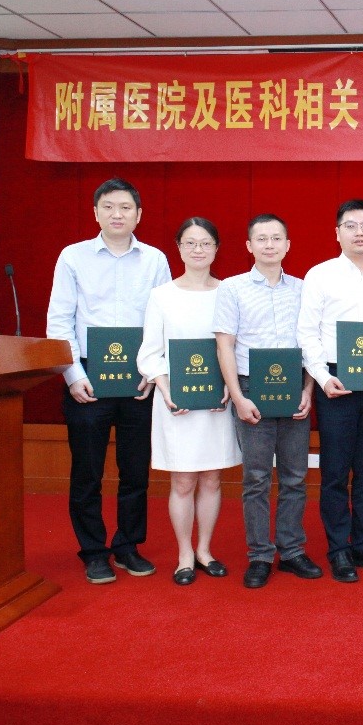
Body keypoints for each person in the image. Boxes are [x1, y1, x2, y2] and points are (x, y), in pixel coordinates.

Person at [46, 177, 170, 584]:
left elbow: (163, 320)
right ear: (96, 212)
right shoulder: (73, 257)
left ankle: (127, 545)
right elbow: (59, 321)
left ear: (139, 214)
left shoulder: (154, 260)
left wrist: (154, 371)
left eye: (125, 207)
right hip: (87, 376)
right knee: (87, 471)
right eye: (109, 207)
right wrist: (73, 375)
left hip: (139, 378)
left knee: (135, 470)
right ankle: (94, 551)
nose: (117, 214)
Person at [215, 214, 322, 589]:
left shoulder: (304, 289)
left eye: (277, 238)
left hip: (294, 387)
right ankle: (260, 555)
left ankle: (292, 551)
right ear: (249, 246)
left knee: (295, 476)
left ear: (288, 245)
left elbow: (313, 343)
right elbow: (224, 346)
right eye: (262, 238)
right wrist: (238, 397)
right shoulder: (232, 288)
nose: (270, 245)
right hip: (250, 389)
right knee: (256, 478)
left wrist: (308, 390)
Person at [298, 199, 363, 583]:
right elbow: (307, 333)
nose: (360, 232)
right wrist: (323, 377)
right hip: (336, 382)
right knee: (336, 471)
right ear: (337, 233)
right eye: (351, 225)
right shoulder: (319, 275)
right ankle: (339, 549)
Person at [137, 217, 241, 586]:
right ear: (179, 248)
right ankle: (184, 553)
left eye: (206, 243)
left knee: (212, 478)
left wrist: (230, 385)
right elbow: (150, 353)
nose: (198, 250)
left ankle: (205, 550)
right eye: (190, 243)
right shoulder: (162, 296)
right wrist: (166, 389)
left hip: (217, 402)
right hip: (176, 404)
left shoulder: (229, 292)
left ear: (216, 248)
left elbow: (236, 347)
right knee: (182, 481)